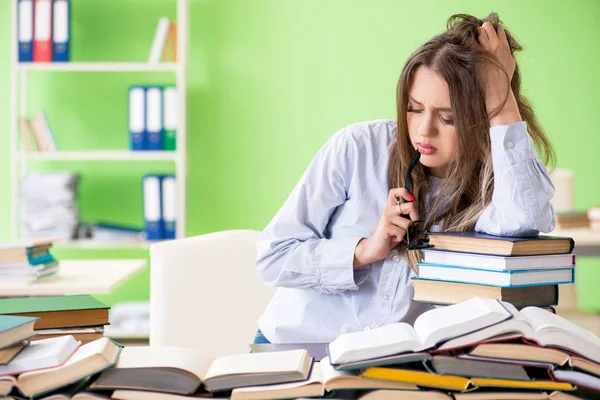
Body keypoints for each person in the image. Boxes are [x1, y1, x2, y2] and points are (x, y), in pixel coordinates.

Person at [253, 12, 556, 344]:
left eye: (448, 118)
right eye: (414, 109)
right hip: (300, 350)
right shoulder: (356, 148)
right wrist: (364, 251)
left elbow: (525, 218)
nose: (424, 130)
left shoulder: (498, 182)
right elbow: (273, 256)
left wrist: (501, 99)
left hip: (394, 365)